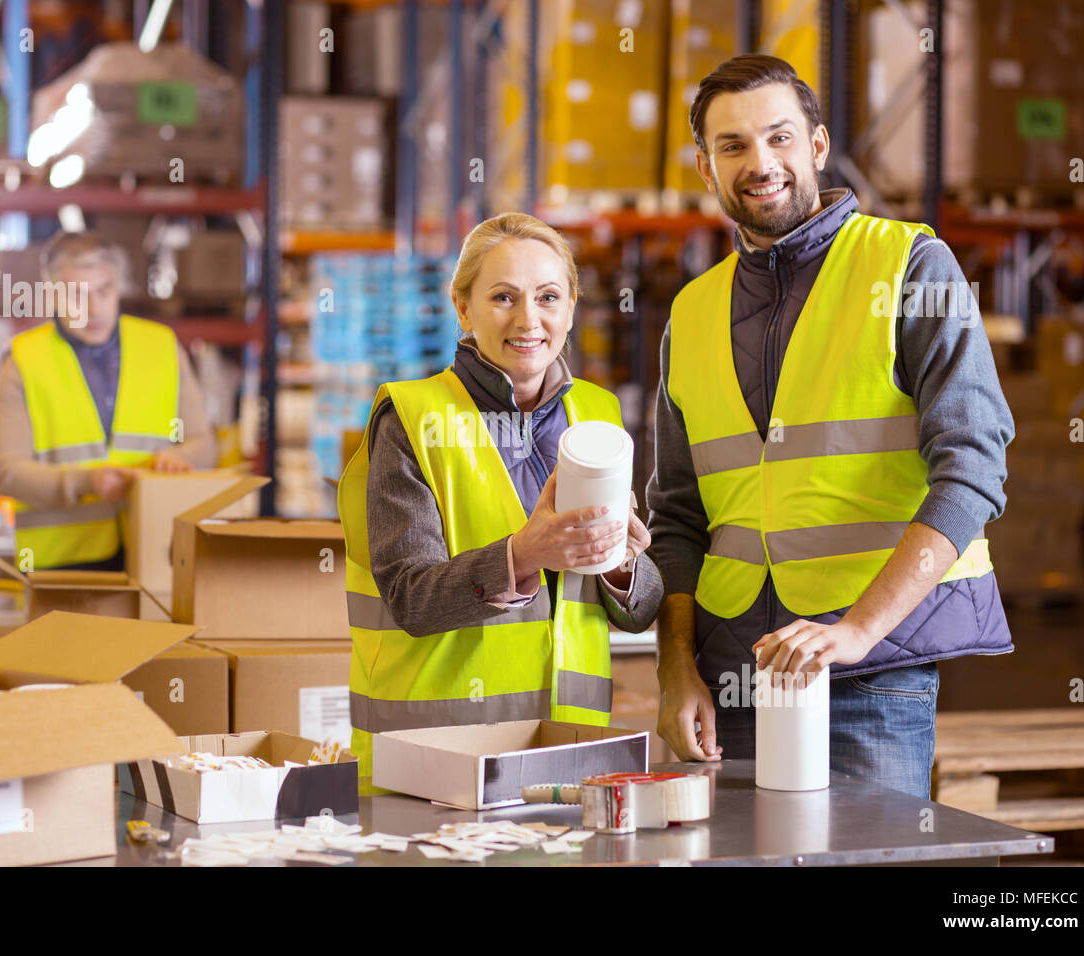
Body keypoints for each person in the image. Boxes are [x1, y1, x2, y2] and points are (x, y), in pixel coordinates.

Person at [646, 55, 1014, 798]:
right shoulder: (690, 314)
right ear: (705, 167)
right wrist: (674, 668)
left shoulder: (912, 266)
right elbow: (678, 518)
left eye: (779, 138)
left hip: (868, 676)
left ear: (816, 147)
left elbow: (973, 464)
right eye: (733, 146)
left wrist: (856, 631)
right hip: (731, 677)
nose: (760, 163)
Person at [339, 212, 664, 778]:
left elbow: (638, 612)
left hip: (567, 752)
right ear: (463, 307)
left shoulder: (596, 416)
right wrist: (524, 556)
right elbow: (409, 598)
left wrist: (623, 566)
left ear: (570, 308)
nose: (528, 319)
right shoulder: (412, 418)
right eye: (503, 298)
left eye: (547, 297)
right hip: (436, 760)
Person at [0, 232, 215, 571]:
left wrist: (179, 458)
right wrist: (85, 483)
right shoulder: (24, 360)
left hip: (157, 549)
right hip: (63, 564)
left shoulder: (161, 347)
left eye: (104, 292)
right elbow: (7, 472)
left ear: (120, 287)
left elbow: (204, 445)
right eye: (76, 295)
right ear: (51, 295)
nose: (93, 309)